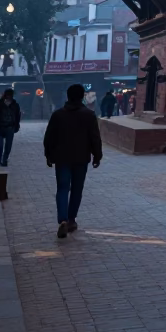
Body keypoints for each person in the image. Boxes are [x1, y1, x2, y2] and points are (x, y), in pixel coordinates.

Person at [43, 84, 102, 239]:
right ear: (82, 96)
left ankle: (62, 218)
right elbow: (95, 137)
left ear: (67, 96)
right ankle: (71, 220)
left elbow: (49, 138)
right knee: (76, 190)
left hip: (62, 158)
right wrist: (97, 155)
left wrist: (48, 155)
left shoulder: (58, 115)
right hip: (81, 158)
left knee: (62, 188)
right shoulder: (89, 115)